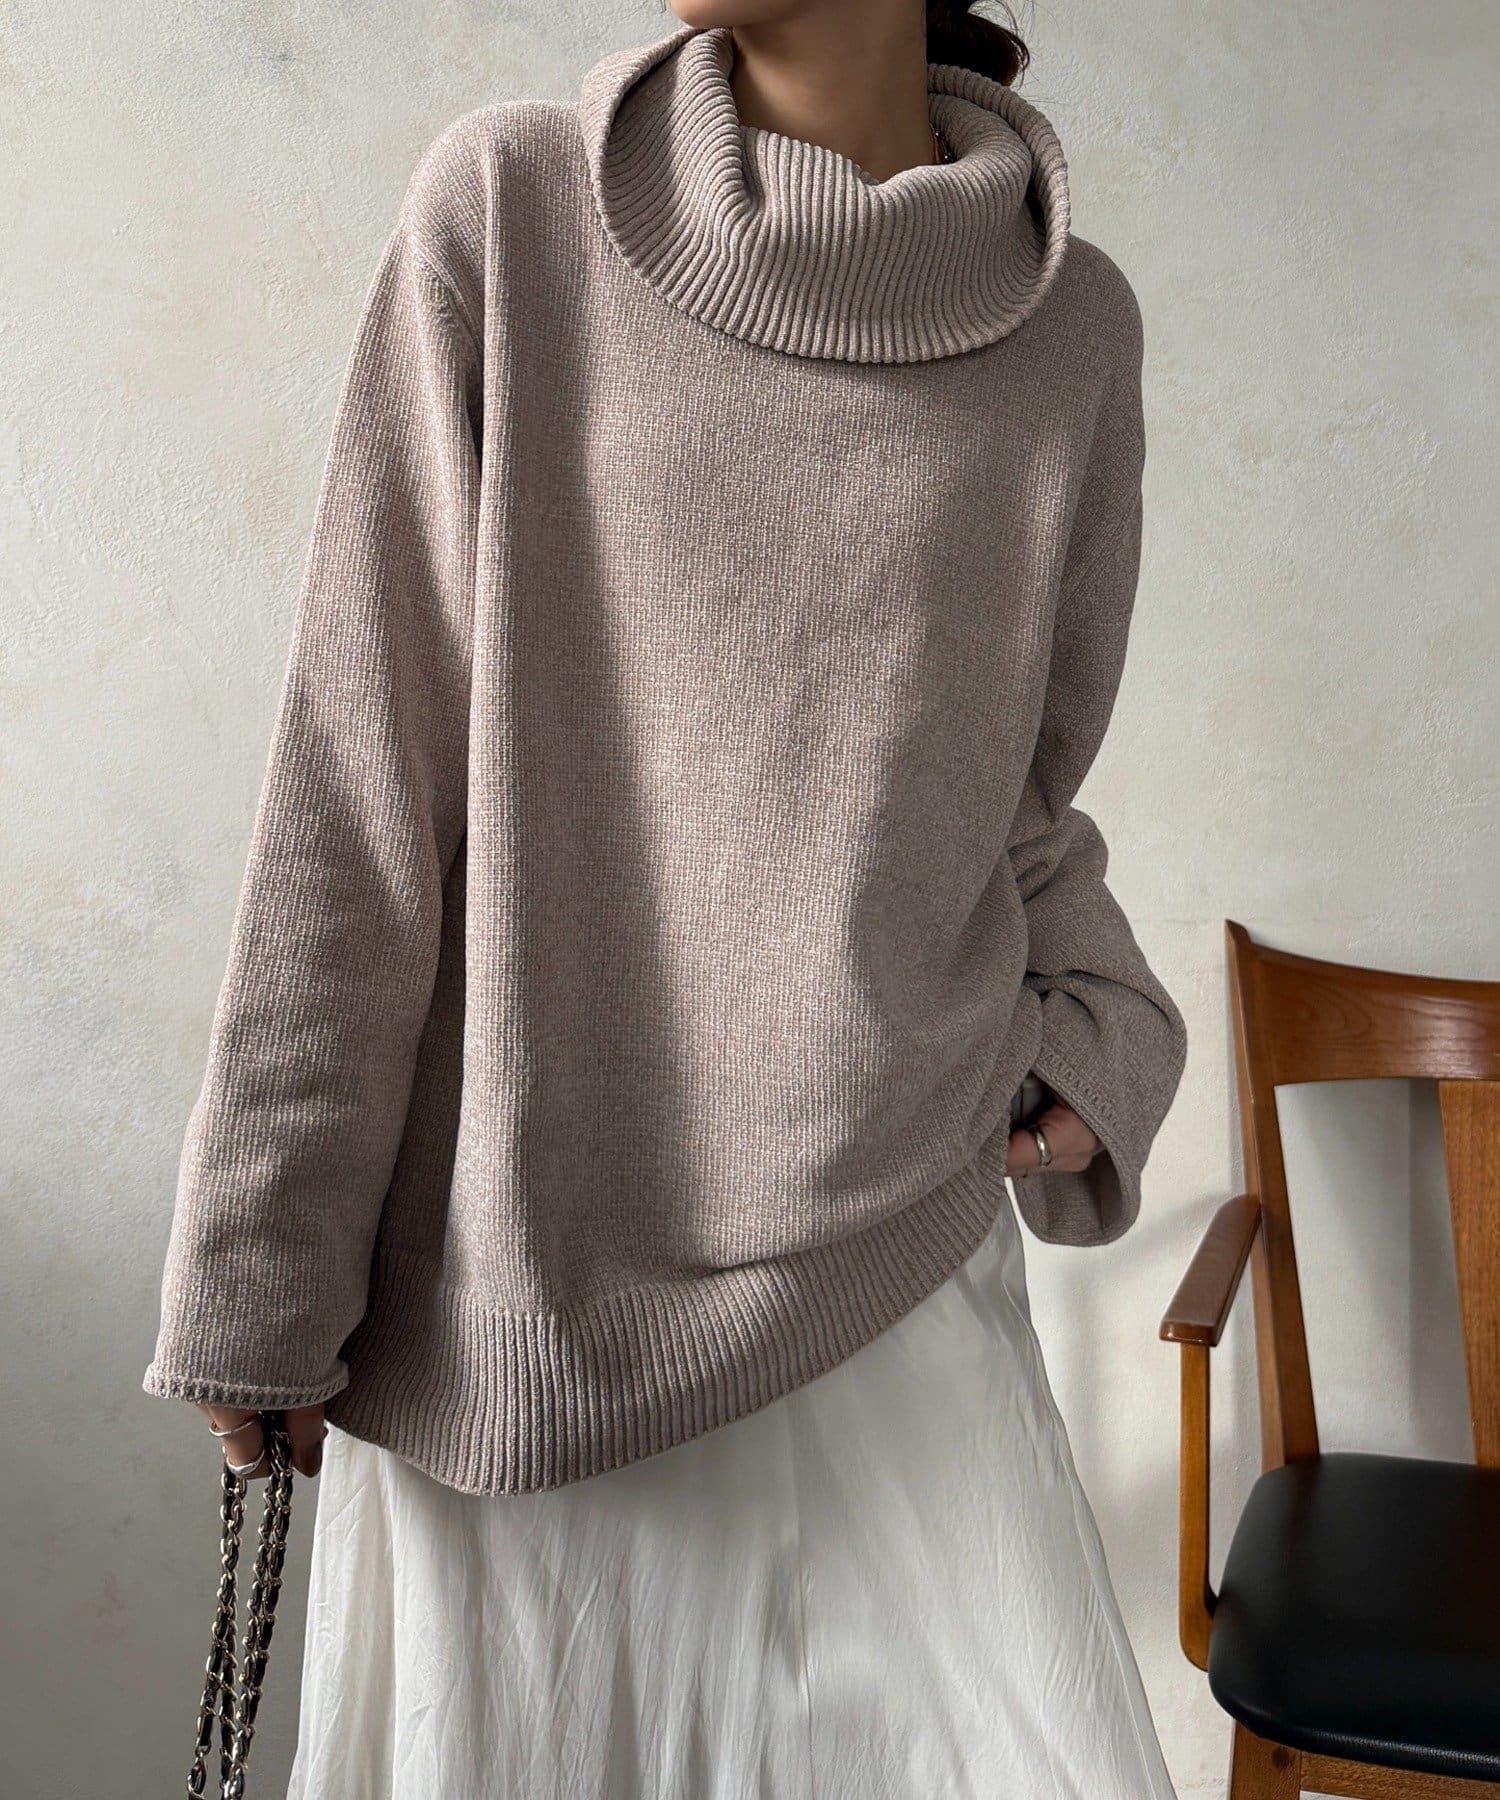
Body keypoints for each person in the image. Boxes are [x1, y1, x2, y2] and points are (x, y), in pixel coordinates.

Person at [145, 2, 1188, 1793]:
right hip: (527, 1306)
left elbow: (1018, 799)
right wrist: (265, 1250)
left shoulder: (1069, 326)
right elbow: (361, 780)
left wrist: (1105, 1039)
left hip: (901, 1269)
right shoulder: (510, 208)